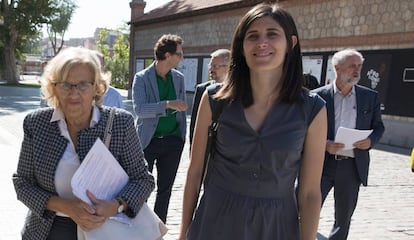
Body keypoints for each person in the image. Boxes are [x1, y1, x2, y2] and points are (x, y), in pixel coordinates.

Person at [179, 3, 327, 240]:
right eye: (253, 36)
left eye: (272, 34)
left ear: (291, 44)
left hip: (276, 227)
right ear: (242, 45)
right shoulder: (215, 100)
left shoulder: (313, 109)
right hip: (215, 222)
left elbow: (309, 193)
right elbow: (195, 171)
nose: (262, 43)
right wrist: (183, 233)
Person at [12, 47, 155, 240]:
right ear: (53, 87)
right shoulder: (36, 124)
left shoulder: (121, 123)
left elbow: (143, 180)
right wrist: (66, 207)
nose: (73, 93)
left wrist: (115, 205)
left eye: (82, 85)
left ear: (97, 87)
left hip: (107, 228)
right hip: (48, 231)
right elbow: (22, 183)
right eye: (65, 85)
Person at [311, 49, 385, 239]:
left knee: (343, 218)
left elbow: (379, 127)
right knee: (305, 209)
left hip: (351, 166)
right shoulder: (316, 97)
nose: (357, 70)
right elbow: (303, 129)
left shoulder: (370, 97)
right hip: (321, 163)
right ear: (337, 68)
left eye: (359, 66)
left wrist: (370, 141)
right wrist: (324, 144)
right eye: (352, 65)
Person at [132, 34, 187, 223]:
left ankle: (158, 230)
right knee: (142, 188)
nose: (182, 58)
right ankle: (139, 226)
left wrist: (181, 137)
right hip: (148, 141)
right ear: (166, 54)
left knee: (166, 190)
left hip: (173, 141)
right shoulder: (141, 78)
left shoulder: (178, 78)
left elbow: (181, 107)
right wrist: (167, 104)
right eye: (179, 54)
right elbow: (140, 109)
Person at [189, 48, 230, 146]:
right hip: (205, 147)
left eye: (215, 66)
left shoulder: (238, 91)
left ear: (228, 67)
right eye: (210, 65)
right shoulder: (202, 90)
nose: (211, 69)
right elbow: (194, 125)